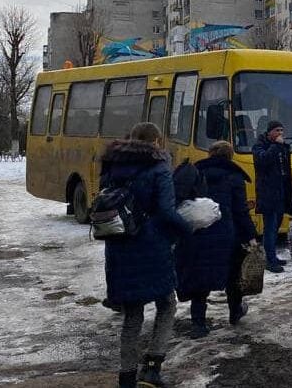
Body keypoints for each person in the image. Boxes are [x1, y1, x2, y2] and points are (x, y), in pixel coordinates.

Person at [101, 122, 193, 388]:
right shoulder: (159, 167)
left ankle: (127, 376)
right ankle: (152, 368)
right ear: (156, 142)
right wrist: (186, 230)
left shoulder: (112, 164)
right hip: (152, 246)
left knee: (132, 314)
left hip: (119, 246)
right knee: (167, 304)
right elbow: (166, 210)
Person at [177, 141, 259, 339]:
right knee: (233, 274)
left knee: (200, 275)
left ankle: (198, 323)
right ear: (230, 156)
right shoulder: (234, 177)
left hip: (198, 231)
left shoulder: (195, 173)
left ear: (210, 154)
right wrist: (250, 236)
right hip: (225, 233)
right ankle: (235, 311)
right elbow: (240, 211)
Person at [251, 121, 292, 274]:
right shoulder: (260, 146)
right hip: (268, 192)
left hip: (281, 190)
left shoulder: (281, 146)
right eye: (277, 130)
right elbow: (262, 161)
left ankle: (272, 256)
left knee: (276, 226)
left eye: (282, 130)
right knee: (269, 228)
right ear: (269, 132)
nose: (280, 133)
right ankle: (269, 260)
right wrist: (276, 146)